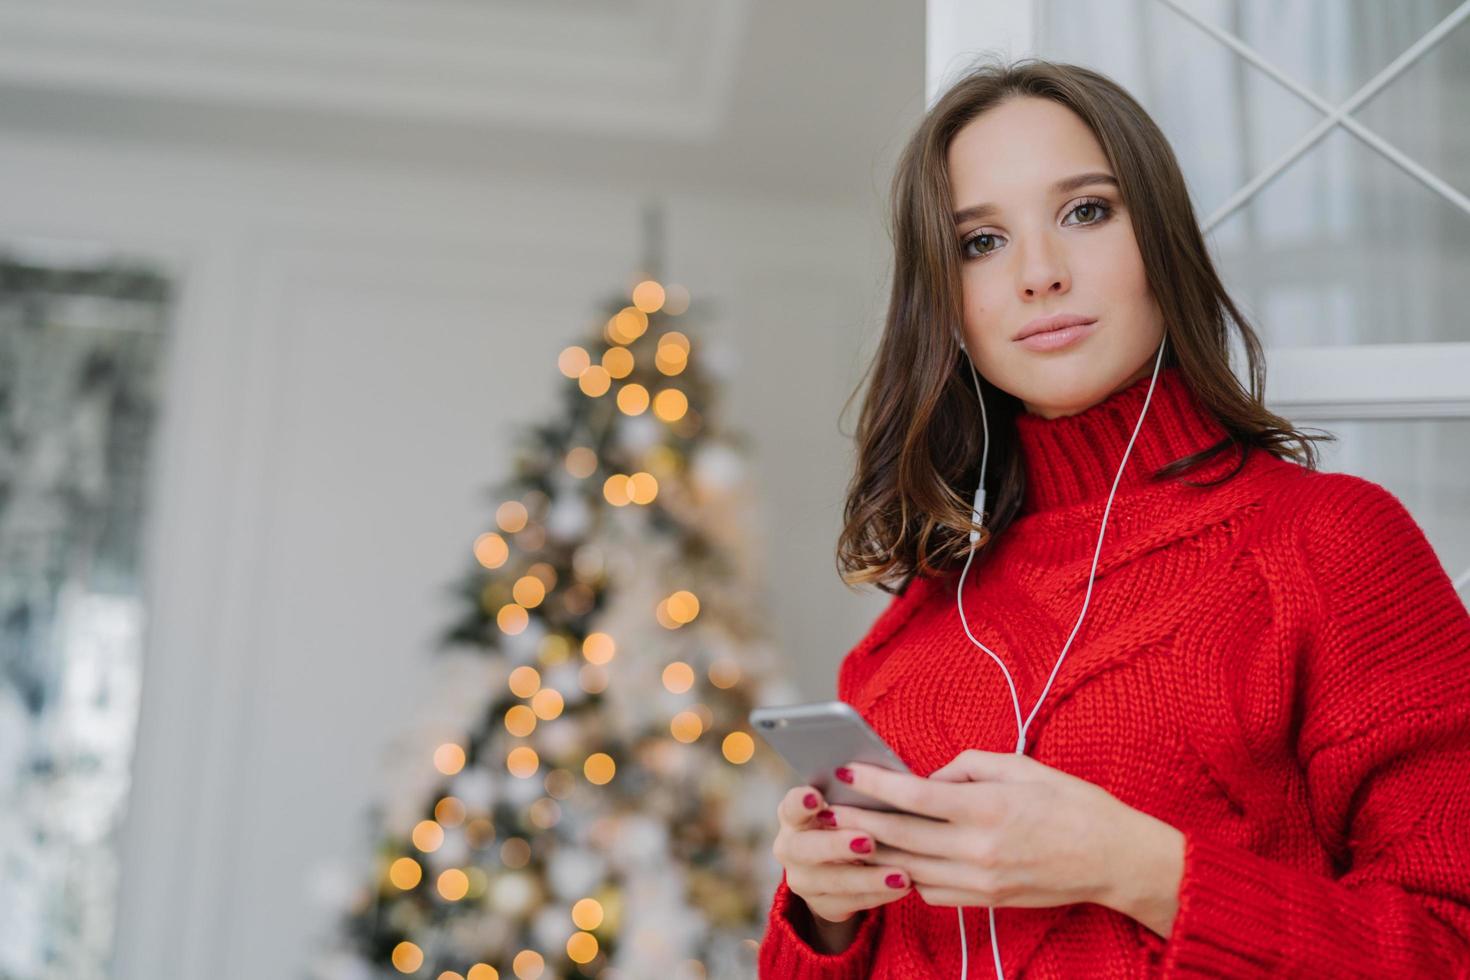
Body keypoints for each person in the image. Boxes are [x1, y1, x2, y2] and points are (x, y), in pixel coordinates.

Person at [757, 58, 1470, 979]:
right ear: (945, 301)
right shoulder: (904, 643)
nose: (1039, 274)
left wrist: (1134, 869)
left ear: (1160, 240)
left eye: (1086, 212)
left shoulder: (1332, 545)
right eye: (981, 241)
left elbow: (1451, 944)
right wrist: (823, 919)